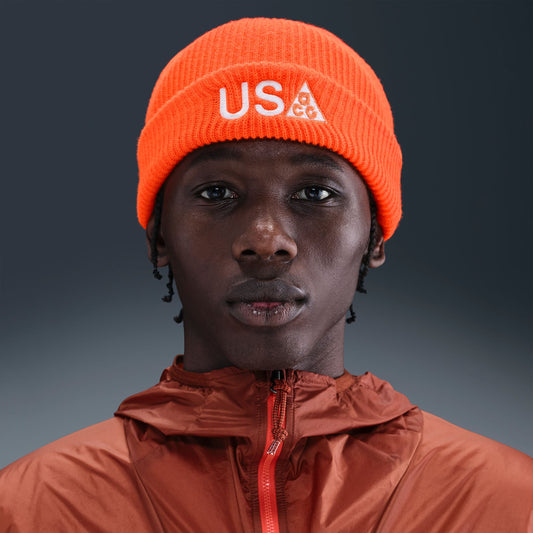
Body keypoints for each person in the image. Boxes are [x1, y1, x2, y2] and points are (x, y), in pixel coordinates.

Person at [0, 17, 531, 533]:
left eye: (315, 193)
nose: (266, 240)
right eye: (216, 193)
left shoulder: (511, 505)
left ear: (374, 237)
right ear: (159, 235)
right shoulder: (28, 510)